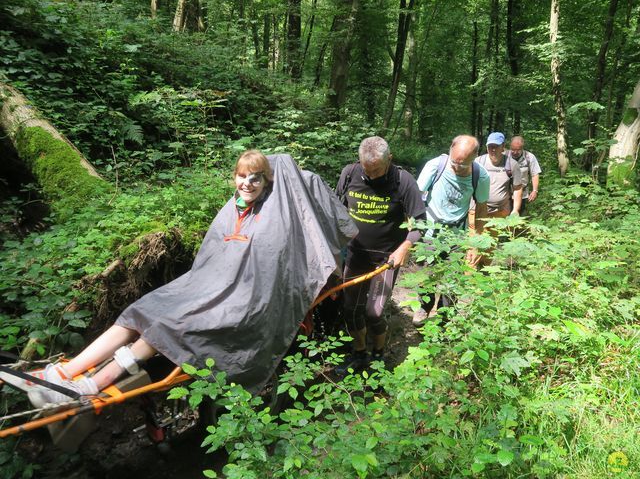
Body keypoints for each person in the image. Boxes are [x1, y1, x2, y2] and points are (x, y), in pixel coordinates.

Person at [1, 150, 357, 406]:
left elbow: (268, 276)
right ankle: (65, 372)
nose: (247, 183)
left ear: (268, 182)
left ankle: (93, 383)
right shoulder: (229, 210)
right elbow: (212, 262)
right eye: (242, 175)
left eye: (256, 177)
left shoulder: (276, 220)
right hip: (205, 290)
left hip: (242, 305)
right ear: (233, 177)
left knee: (167, 324)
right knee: (142, 308)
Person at [335, 136, 425, 373]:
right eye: (368, 170)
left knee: (373, 312)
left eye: (378, 170)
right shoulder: (349, 174)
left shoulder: (402, 180)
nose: (372, 176)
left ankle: (379, 354)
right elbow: (336, 210)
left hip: (387, 259)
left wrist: (405, 246)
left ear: (390, 159)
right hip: (356, 253)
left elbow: (421, 223)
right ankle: (359, 353)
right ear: (359, 161)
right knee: (350, 309)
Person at [412, 135, 490, 326]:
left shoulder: (480, 176)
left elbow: (481, 208)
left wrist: (476, 243)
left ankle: (446, 318)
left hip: (457, 236)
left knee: (452, 279)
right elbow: (414, 198)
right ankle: (424, 307)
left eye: (463, 165)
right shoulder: (435, 166)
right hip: (430, 232)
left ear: (475, 157)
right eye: (454, 161)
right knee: (428, 275)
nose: (457, 167)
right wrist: (410, 233)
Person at [471, 131, 523, 220]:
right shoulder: (478, 163)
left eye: (496, 146)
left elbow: (517, 188)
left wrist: (515, 210)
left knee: (497, 234)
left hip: (501, 211)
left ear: (503, 147)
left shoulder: (512, 164)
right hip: (476, 209)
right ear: (487, 148)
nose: (493, 150)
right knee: (476, 234)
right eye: (490, 146)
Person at [507, 135, 542, 215]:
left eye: (518, 150)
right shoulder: (504, 156)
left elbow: (535, 174)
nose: (515, 152)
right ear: (510, 147)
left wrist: (534, 190)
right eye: (513, 149)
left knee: (520, 217)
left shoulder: (529, 157)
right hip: (505, 194)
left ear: (522, 148)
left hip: (522, 194)